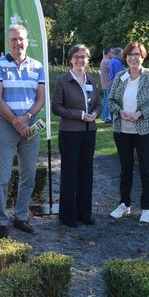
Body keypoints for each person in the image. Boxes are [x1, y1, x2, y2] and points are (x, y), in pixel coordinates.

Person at [0, 24, 45, 237]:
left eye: (20, 39)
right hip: (6, 125)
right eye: (13, 39)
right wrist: (15, 121)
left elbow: (41, 99)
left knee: (28, 174)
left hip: (30, 125)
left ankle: (21, 217)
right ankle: (0, 220)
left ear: (26, 41)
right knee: (2, 176)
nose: (17, 43)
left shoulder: (37, 66)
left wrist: (27, 118)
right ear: (8, 42)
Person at [108, 41, 149, 224]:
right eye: (130, 54)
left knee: (146, 168)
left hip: (145, 130)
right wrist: (119, 111)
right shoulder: (120, 76)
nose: (133, 58)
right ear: (126, 57)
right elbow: (111, 100)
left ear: (142, 57)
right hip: (122, 129)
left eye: (137, 54)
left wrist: (140, 113)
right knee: (125, 169)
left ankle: (146, 208)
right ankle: (124, 203)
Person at [52, 44, 100, 227]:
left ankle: (84, 213)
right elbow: (56, 107)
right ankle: (67, 215)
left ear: (88, 60)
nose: (80, 60)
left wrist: (95, 113)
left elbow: (97, 103)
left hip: (89, 133)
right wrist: (79, 115)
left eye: (84, 57)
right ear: (71, 59)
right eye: (77, 57)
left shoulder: (91, 80)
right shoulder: (63, 81)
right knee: (70, 175)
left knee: (86, 174)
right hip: (70, 133)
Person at [99, 47, 113, 123]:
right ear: (108, 53)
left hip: (104, 84)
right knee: (107, 101)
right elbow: (113, 69)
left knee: (105, 100)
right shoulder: (107, 61)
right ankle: (107, 117)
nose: (112, 54)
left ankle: (104, 116)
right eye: (111, 52)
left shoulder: (103, 60)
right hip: (107, 84)